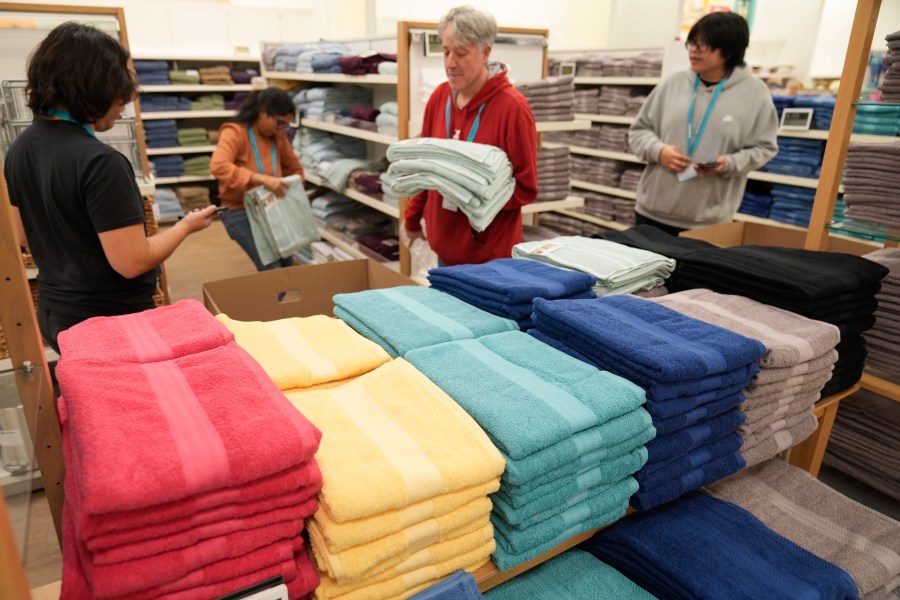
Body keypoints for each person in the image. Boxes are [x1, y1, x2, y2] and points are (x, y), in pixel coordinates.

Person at [4, 22, 217, 354]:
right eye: (118, 93)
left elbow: (23, 238)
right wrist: (185, 227)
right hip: (112, 323)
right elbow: (132, 262)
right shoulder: (101, 162)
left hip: (57, 316)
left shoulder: (20, 149)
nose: (124, 104)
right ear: (90, 87)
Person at [403, 5, 538, 266]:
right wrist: (412, 217)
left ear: (486, 52)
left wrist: (474, 196)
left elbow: (526, 187)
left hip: (489, 259)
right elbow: (426, 166)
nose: (450, 62)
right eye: (445, 52)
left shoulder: (513, 108)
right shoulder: (439, 98)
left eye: (461, 53)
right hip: (443, 249)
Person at [628, 11, 778, 234]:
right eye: (692, 43)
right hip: (651, 213)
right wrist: (660, 151)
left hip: (709, 221)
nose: (694, 51)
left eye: (704, 45)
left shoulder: (755, 94)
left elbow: (765, 148)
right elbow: (639, 131)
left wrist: (729, 163)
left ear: (728, 50)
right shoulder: (672, 84)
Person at [210, 88, 304, 270]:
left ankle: (279, 297)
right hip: (240, 211)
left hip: (273, 207)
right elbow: (218, 166)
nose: (281, 129)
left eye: (285, 125)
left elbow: (294, 168)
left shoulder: (278, 136)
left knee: (287, 265)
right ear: (263, 112)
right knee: (273, 270)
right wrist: (261, 179)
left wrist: (294, 187)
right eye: (279, 123)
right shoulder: (234, 132)